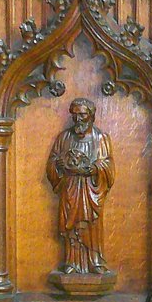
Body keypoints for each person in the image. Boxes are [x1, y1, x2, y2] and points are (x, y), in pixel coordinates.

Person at [46, 98, 115, 274]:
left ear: (91, 116)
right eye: (75, 115)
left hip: (91, 190)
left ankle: (95, 261)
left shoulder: (100, 138)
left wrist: (93, 168)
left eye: (83, 114)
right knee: (71, 224)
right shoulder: (64, 137)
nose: (78, 119)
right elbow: (52, 161)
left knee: (91, 224)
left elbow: (108, 165)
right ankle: (72, 262)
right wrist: (58, 165)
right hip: (70, 189)